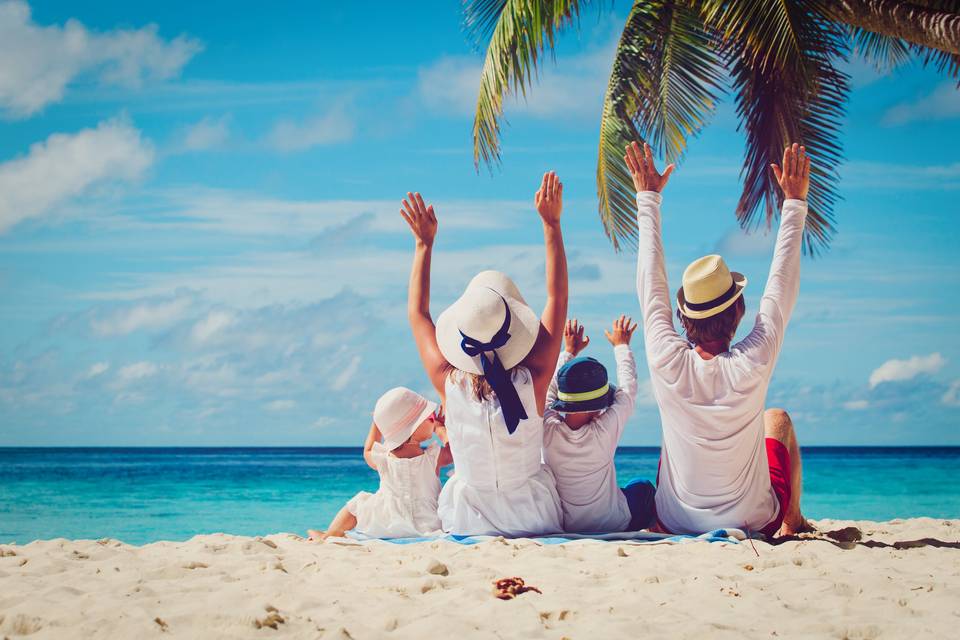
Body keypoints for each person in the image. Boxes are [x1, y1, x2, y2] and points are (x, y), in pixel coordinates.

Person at [628, 140, 810, 538]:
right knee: (776, 419)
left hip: (676, 523)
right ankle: (793, 521)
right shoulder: (753, 360)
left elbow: (651, 286)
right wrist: (793, 204)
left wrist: (648, 200)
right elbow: (781, 289)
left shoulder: (665, 357)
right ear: (739, 311)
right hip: (755, 521)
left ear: (683, 317)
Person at [399, 172, 568, 536]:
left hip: (468, 519)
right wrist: (551, 225)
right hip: (532, 517)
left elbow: (417, 315)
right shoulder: (534, 378)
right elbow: (557, 299)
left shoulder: (449, 382)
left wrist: (423, 245)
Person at [543, 317, 656, 533]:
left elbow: (548, 388)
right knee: (642, 486)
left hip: (567, 525)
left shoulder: (548, 428)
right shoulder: (603, 431)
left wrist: (569, 351)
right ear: (598, 405)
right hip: (614, 522)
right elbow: (629, 390)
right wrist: (621, 346)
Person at [307, 387, 451, 540]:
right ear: (412, 429)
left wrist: (377, 423)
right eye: (430, 418)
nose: (435, 421)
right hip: (428, 523)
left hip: (387, 522)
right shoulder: (433, 457)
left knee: (358, 503)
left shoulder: (384, 459)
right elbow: (455, 451)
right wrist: (441, 429)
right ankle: (329, 535)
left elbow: (368, 450)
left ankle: (330, 534)